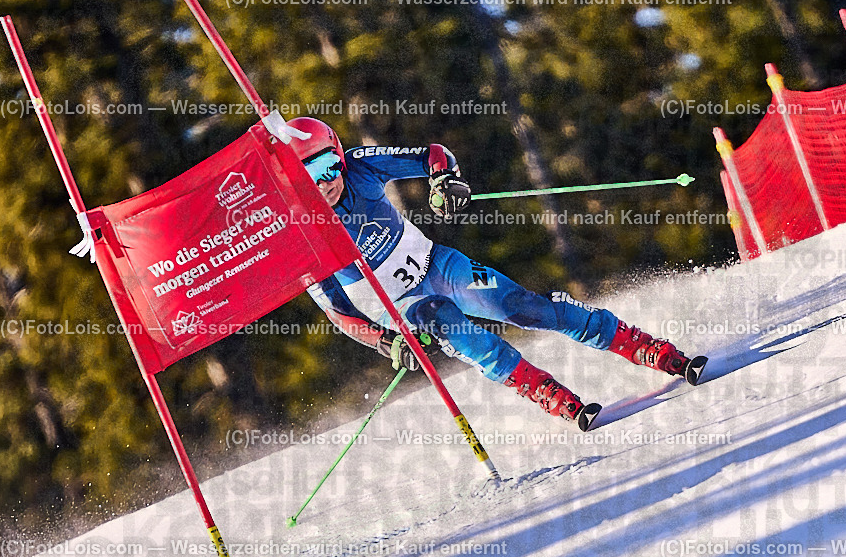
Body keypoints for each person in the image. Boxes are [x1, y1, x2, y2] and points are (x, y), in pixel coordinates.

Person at [290, 117, 699, 430]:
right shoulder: (301, 234)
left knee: (524, 307)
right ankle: (543, 390)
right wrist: (385, 341)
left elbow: (432, 153)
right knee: (449, 322)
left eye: (327, 166)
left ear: (339, 156)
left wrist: (443, 180)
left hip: (439, 265)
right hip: (403, 307)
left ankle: (645, 347)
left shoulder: (362, 167)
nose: (323, 183)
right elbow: (337, 312)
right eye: (308, 175)